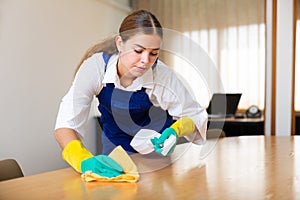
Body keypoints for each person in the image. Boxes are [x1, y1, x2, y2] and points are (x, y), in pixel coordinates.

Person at [54, 9, 208, 174]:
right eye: (138, 51)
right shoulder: (96, 68)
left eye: (153, 53)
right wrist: (82, 159)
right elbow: (66, 124)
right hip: (115, 146)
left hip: (155, 149)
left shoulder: (162, 75)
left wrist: (176, 130)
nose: (145, 61)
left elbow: (194, 115)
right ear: (120, 43)